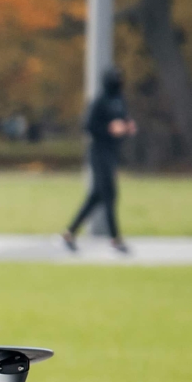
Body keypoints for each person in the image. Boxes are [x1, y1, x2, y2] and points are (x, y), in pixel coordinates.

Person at [63, 67, 134, 254]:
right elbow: (88, 126)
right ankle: (116, 239)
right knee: (109, 194)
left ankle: (69, 233)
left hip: (111, 152)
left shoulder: (120, 100)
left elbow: (123, 120)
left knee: (97, 196)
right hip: (98, 152)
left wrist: (127, 127)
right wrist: (109, 129)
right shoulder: (100, 101)